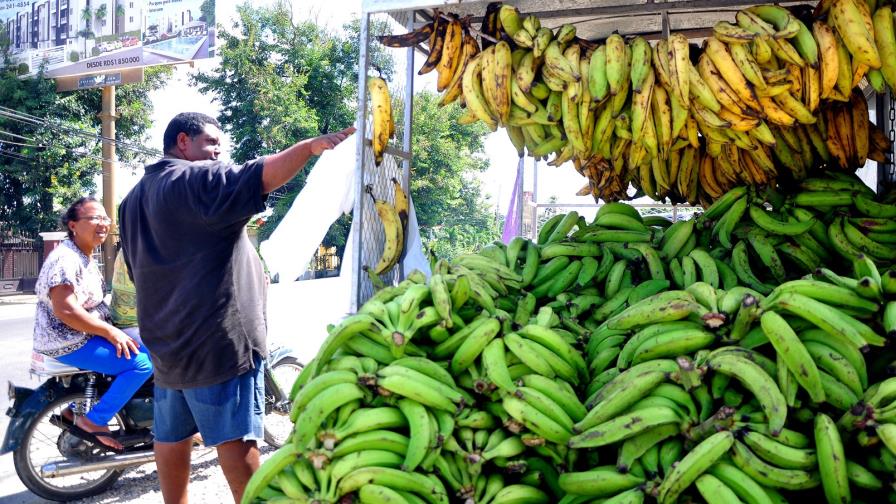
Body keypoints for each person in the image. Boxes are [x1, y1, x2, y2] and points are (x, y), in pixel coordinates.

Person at [118, 112, 354, 503]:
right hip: (217, 344)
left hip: (166, 345)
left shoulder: (132, 201)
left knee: (172, 436)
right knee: (235, 440)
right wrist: (311, 147)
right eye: (211, 143)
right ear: (182, 143)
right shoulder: (193, 180)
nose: (218, 152)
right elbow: (258, 175)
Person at [32, 197, 153, 452]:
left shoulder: (83, 255)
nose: (102, 224)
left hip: (81, 335)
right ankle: (93, 421)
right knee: (141, 364)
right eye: (94, 218)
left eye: (105, 219)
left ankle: (72, 411)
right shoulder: (65, 259)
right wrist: (110, 331)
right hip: (69, 340)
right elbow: (66, 309)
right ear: (73, 225)